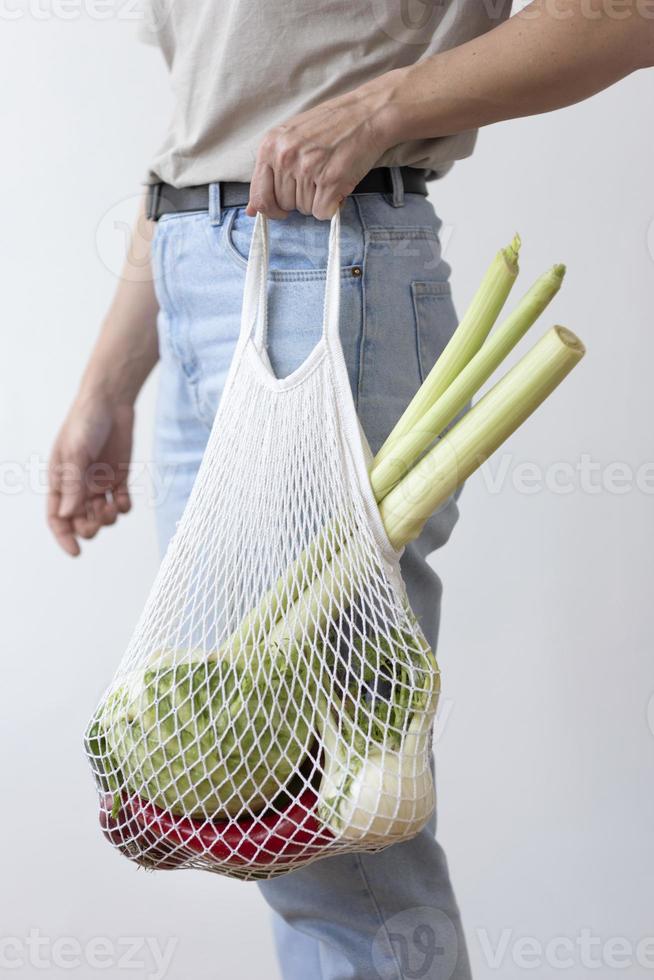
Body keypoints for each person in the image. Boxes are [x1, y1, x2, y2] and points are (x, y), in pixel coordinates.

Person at [48, 3, 653, 977]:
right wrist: (110, 379)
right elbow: (205, 121)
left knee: (323, 828)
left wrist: (381, 106)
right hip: (200, 274)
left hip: (325, 264)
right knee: (255, 801)